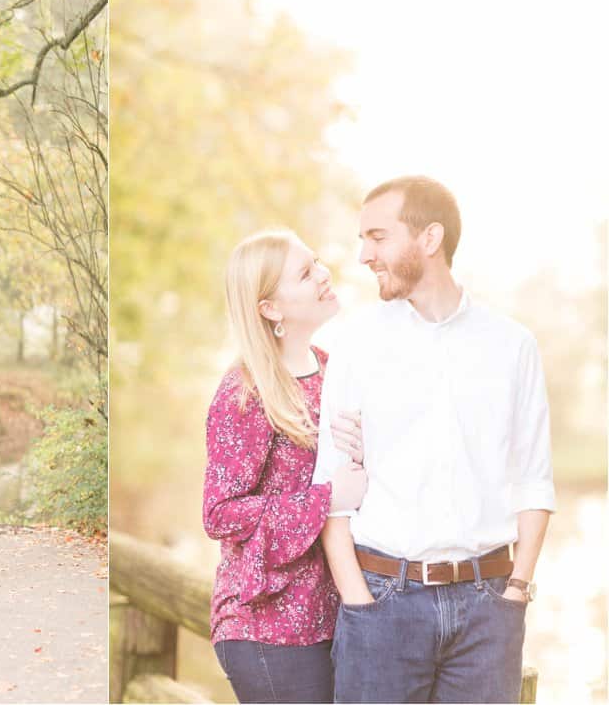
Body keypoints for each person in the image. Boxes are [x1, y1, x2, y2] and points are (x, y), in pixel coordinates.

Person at [313, 176, 556, 703]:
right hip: (381, 602)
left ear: (430, 238)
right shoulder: (354, 344)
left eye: (377, 237)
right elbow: (330, 487)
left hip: (489, 608)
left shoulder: (512, 346)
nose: (363, 255)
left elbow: (534, 482)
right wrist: (357, 598)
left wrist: (515, 592)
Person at [203, 229, 368, 704]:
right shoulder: (245, 393)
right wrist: (325, 499)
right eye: (305, 272)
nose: (323, 274)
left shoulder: (333, 370)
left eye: (316, 262)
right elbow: (219, 513)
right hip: (267, 626)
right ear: (270, 308)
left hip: (335, 612)